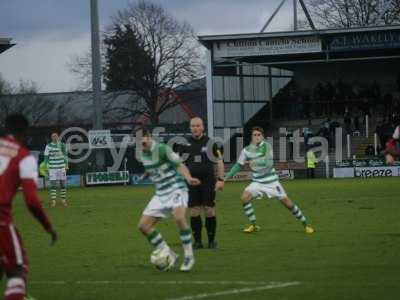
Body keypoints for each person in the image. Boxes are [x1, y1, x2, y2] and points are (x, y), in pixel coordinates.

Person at [0, 114, 58, 300]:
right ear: (24, 133)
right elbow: (32, 200)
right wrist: (48, 226)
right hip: (1, 220)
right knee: (17, 271)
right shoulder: (24, 156)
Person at [224, 127, 315, 234]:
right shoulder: (246, 150)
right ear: (252, 137)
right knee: (244, 198)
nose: (257, 137)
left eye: (259, 135)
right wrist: (226, 177)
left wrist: (255, 162)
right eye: (255, 135)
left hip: (272, 182)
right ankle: (254, 225)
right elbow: (238, 165)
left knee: (288, 204)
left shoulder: (267, 146)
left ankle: (306, 225)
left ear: (262, 136)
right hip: (257, 182)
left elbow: (269, 164)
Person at [137, 128, 201, 272]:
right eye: (138, 140)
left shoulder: (163, 149)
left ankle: (189, 256)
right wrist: (145, 175)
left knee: (179, 217)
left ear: (149, 137)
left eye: (143, 138)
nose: (141, 142)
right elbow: (152, 167)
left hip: (176, 188)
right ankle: (168, 253)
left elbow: (179, 164)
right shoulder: (143, 154)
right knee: (143, 226)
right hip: (160, 193)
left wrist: (188, 178)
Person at [178, 117, 224, 249]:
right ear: (190, 128)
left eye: (198, 125)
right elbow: (179, 164)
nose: (195, 128)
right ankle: (197, 242)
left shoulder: (211, 142)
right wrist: (185, 178)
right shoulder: (184, 144)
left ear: (203, 127)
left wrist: (220, 180)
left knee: (209, 210)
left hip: (208, 181)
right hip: (191, 182)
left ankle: (211, 241)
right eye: (193, 126)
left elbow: (219, 161)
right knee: (194, 211)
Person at [44, 132, 69, 207]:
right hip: (52, 168)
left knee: (63, 184)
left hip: (61, 167)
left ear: (58, 137)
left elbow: (65, 156)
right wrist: (46, 166)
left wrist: (66, 165)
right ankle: (53, 201)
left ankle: (63, 200)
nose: (54, 137)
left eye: (56, 136)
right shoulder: (48, 146)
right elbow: (46, 157)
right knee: (53, 184)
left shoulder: (62, 145)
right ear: (51, 138)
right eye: (53, 136)